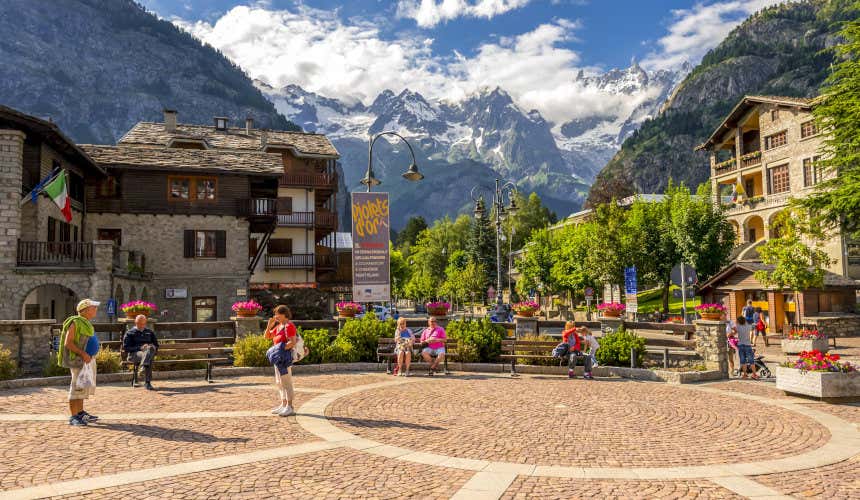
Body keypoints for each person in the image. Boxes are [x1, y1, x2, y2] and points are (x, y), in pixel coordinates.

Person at [59, 299, 100, 426]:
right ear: (86, 310)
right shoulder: (75, 323)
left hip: (86, 360)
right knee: (76, 387)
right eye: (93, 308)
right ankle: (73, 416)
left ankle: (80, 413)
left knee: (82, 386)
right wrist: (83, 354)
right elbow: (68, 343)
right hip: (78, 360)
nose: (96, 310)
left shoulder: (86, 323)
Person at [265, 305, 297, 416]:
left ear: (284, 314)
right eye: (275, 314)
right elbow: (267, 336)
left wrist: (280, 349)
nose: (275, 316)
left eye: (277, 314)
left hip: (284, 358)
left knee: (286, 382)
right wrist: (269, 326)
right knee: (279, 382)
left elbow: (292, 342)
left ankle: (290, 406)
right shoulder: (279, 326)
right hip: (278, 357)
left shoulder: (289, 326)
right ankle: (283, 404)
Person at [122, 314, 159, 390]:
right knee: (149, 357)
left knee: (149, 350)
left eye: (143, 323)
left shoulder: (149, 332)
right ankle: (147, 382)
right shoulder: (130, 333)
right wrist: (140, 347)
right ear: (135, 322)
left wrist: (150, 347)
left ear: (145, 323)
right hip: (134, 354)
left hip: (148, 352)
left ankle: (143, 367)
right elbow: (126, 348)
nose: (141, 325)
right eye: (139, 323)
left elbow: (156, 345)